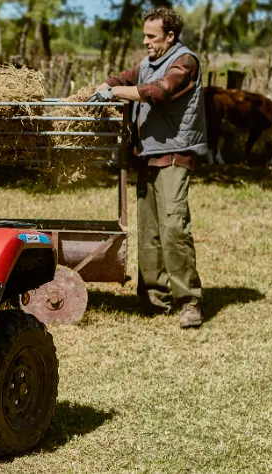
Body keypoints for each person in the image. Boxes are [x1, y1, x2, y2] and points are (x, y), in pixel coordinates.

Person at [92, 7, 206, 328]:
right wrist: (104, 86)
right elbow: (122, 79)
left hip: (174, 155)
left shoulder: (185, 63)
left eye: (151, 36)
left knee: (173, 228)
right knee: (149, 232)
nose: (145, 42)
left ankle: (189, 301)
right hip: (147, 156)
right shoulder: (148, 64)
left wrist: (113, 92)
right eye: (144, 35)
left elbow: (159, 91)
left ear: (170, 37)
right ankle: (154, 299)